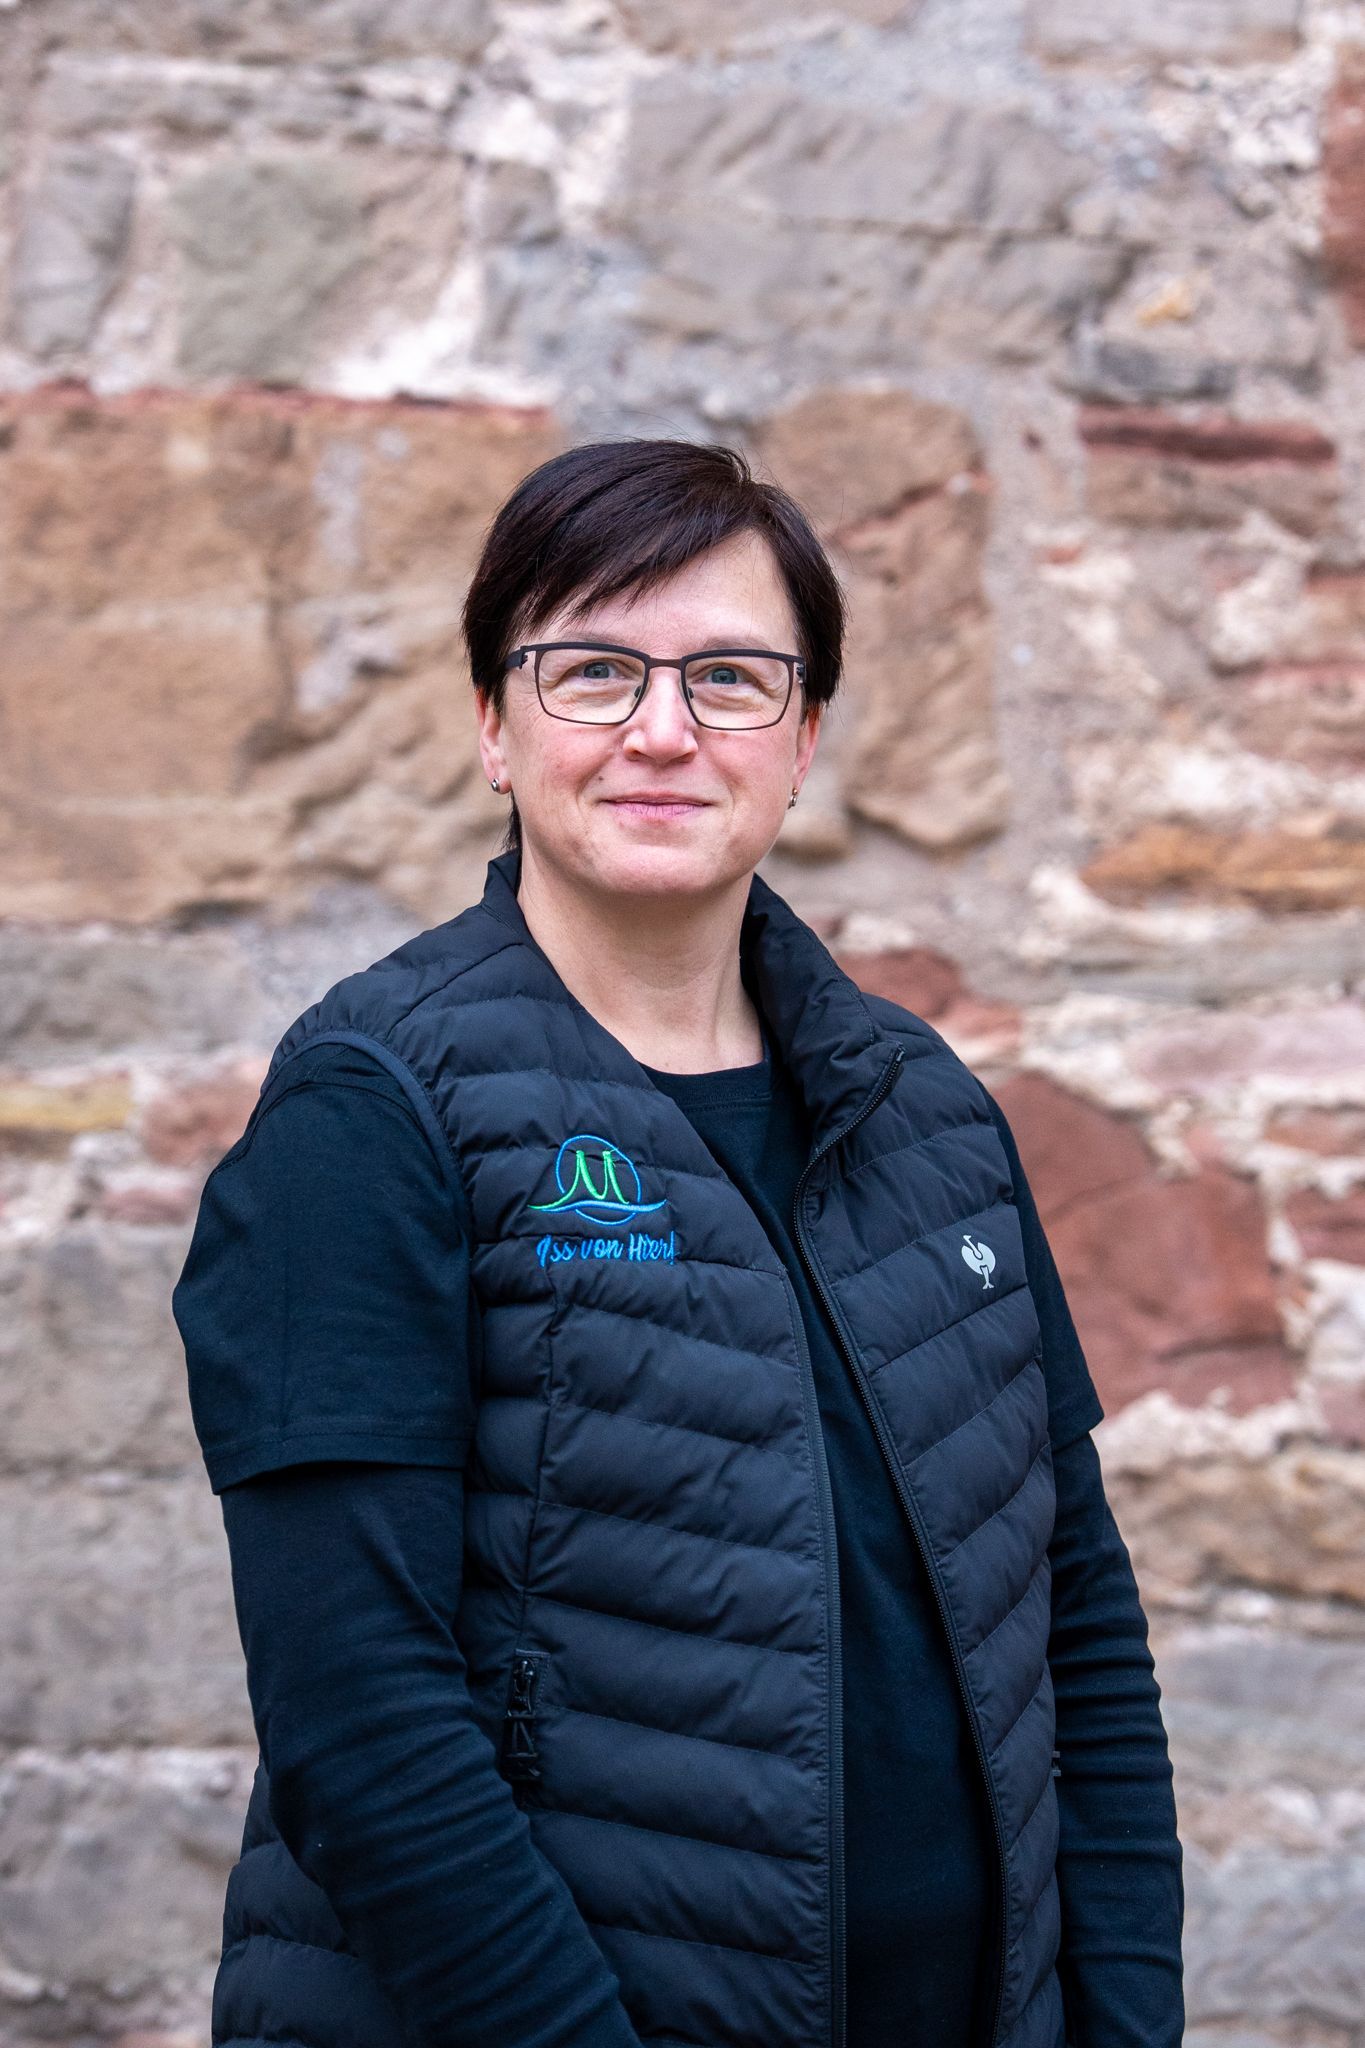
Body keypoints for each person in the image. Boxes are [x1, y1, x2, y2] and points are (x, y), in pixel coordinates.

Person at [174, 437, 1183, 2048]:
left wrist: (1123, 2022)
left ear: (801, 742)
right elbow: (355, 1715)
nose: (661, 729)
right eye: (590, 671)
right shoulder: (371, 1110)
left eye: (728, 677)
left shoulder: (928, 1116)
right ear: (494, 729)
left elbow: (1079, 1642)